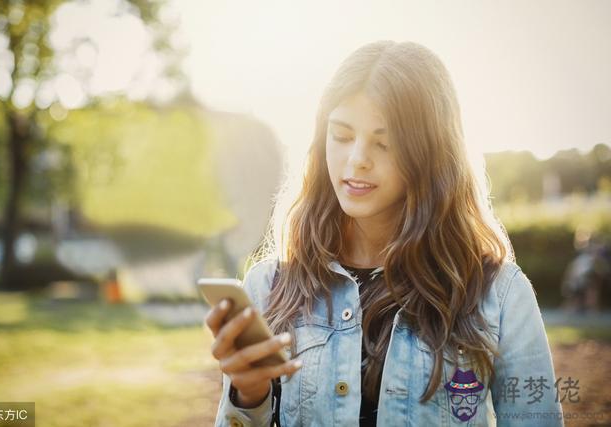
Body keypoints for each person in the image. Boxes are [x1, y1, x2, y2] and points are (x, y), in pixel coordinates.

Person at [205, 40, 564, 426]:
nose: (357, 159)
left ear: (429, 154)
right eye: (341, 136)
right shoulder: (270, 286)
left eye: (384, 143)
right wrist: (247, 395)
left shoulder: (499, 294)